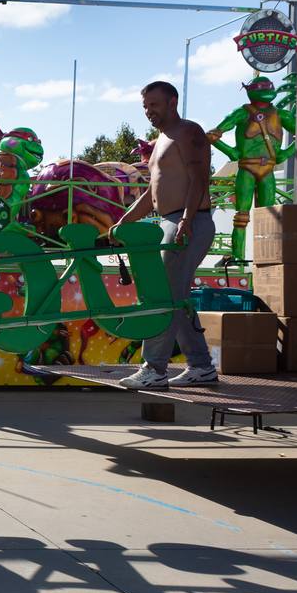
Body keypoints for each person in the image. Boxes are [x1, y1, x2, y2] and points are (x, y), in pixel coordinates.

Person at [110, 81, 219, 388]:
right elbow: (152, 192)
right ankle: (201, 367)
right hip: (170, 221)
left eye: (154, 105)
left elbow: (199, 179)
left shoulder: (189, 132)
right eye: (145, 106)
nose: (148, 112)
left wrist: (185, 220)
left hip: (190, 221)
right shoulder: (162, 139)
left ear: (172, 102)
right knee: (175, 297)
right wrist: (124, 221)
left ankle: (154, 369)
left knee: (162, 296)